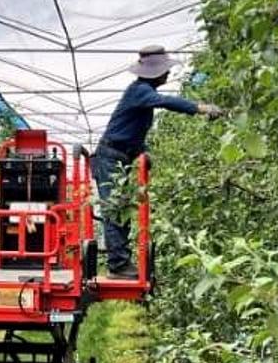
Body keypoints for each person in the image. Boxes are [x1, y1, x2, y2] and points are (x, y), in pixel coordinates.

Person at [93, 45, 224, 278]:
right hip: (110, 157)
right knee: (115, 209)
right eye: (164, 70)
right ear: (153, 72)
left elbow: (130, 129)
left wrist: (142, 151)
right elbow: (166, 101)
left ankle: (120, 263)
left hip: (119, 157)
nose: (167, 74)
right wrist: (200, 108)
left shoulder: (142, 94)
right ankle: (118, 265)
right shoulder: (140, 90)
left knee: (121, 209)